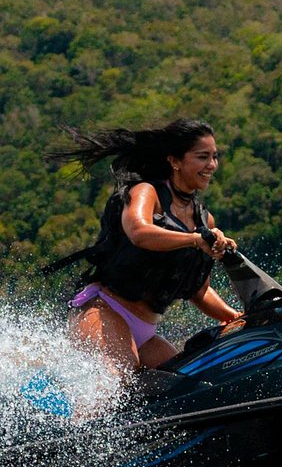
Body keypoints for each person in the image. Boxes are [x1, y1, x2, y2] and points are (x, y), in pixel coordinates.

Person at [45, 118, 240, 374]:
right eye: (203, 157)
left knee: (184, 384)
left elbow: (199, 291)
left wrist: (233, 317)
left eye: (215, 157)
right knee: (117, 379)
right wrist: (194, 239)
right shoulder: (147, 192)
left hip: (146, 333)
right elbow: (138, 232)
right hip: (104, 311)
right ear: (175, 161)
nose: (211, 165)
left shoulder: (204, 219)